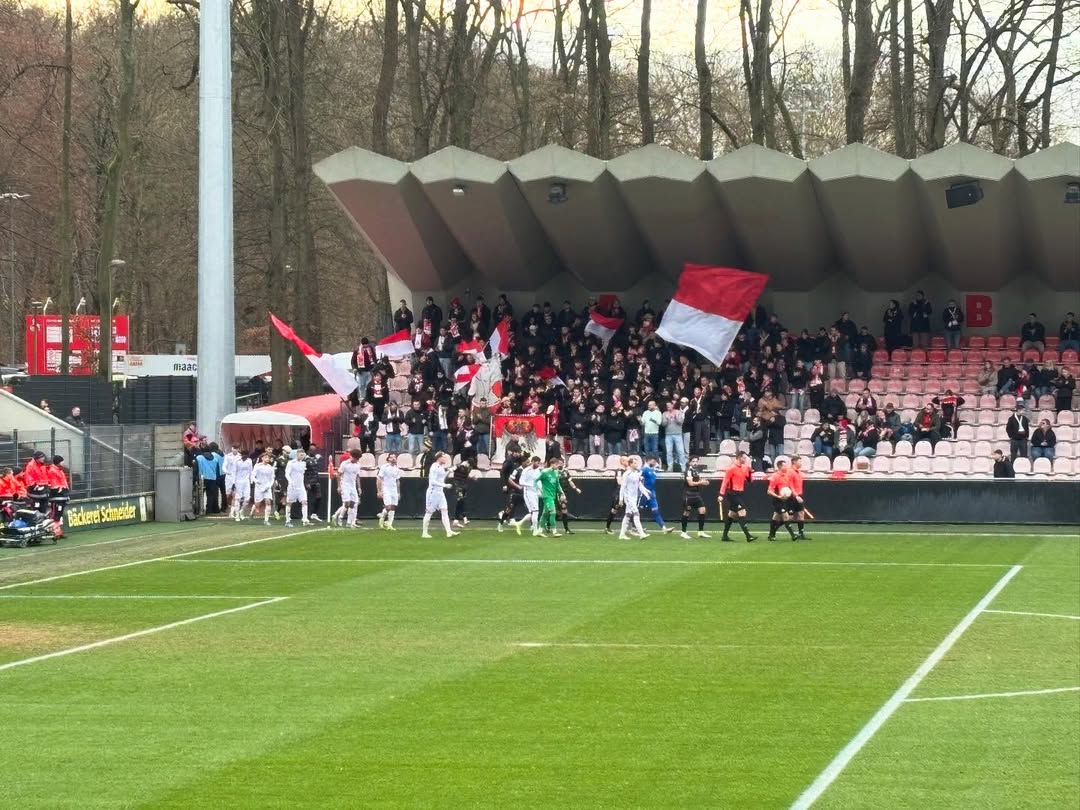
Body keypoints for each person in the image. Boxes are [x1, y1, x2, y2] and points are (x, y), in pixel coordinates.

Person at [718, 452, 756, 542]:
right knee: (742, 512)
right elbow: (725, 482)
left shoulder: (744, 467)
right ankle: (748, 536)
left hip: (740, 493)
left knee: (732, 514)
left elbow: (750, 480)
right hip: (732, 493)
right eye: (744, 458)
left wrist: (750, 472)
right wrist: (721, 494)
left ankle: (724, 536)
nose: (745, 460)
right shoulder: (731, 469)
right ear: (739, 458)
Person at [421, 452, 460, 538]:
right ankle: (424, 532)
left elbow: (442, 479)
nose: (445, 459)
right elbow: (432, 481)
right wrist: (445, 485)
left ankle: (448, 531)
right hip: (433, 492)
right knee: (429, 512)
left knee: (444, 510)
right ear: (439, 458)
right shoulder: (434, 467)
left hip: (440, 492)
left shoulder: (441, 467)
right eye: (443, 457)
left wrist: (449, 472)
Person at [617, 455, 651, 540]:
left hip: (634, 497)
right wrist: (621, 499)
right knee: (636, 513)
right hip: (628, 497)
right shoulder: (626, 474)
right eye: (635, 463)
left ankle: (622, 534)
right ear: (630, 464)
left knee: (628, 515)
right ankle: (641, 534)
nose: (637, 464)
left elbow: (639, 485)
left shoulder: (636, 473)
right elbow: (623, 487)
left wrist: (646, 492)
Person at [678, 455, 710, 540]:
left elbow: (698, 481)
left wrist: (704, 482)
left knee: (702, 510)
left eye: (696, 461)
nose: (695, 463)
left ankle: (700, 531)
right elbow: (690, 483)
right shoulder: (688, 471)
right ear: (690, 462)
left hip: (696, 494)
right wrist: (701, 482)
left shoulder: (696, 471)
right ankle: (683, 532)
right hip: (688, 494)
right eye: (693, 461)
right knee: (687, 512)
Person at [766, 459, 798, 541]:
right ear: (780, 467)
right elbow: (769, 491)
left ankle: (771, 535)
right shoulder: (775, 477)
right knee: (785, 516)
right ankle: (793, 535)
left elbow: (788, 487)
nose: (786, 467)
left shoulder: (787, 475)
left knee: (776, 518)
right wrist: (778, 496)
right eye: (784, 465)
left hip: (784, 500)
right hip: (777, 500)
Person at [511, 456, 543, 536]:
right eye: (537, 463)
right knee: (535, 512)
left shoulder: (538, 470)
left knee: (533, 513)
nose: (538, 464)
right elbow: (521, 482)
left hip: (535, 493)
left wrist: (541, 490)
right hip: (528, 493)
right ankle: (535, 531)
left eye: (539, 463)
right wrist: (532, 485)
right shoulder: (526, 471)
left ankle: (519, 523)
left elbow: (538, 481)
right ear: (532, 462)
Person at [640, 457, 673, 533]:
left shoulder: (653, 470)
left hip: (652, 493)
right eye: (653, 461)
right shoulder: (644, 469)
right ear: (648, 461)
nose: (655, 463)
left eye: (655, 462)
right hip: (644, 493)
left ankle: (663, 528)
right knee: (638, 510)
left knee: (655, 510)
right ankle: (634, 527)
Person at [333, 449, 363, 529]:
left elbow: (357, 477)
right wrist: (339, 486)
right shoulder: (344, 464)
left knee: (353, 504)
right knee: (347, 503)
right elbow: (338, 475)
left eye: (357, 459)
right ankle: (340, 518)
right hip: (345, 485)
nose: (356, 460)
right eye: (355, 458)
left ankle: (349, 522)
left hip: (353, 486)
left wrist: (359, 487)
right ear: (352, 456)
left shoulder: (358, 465)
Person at [496, 453, 526, 533]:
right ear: (522, 462)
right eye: (527, 462)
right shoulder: (517, 471)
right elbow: (510, 480)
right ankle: (500, 524)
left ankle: (533, 526)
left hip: (523, 493)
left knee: (530, 509)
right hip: (515, 492)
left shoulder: (527, 470)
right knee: (509, 509)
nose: (528, 463)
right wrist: (517, 486)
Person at [536, 457, 564, 537]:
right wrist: (539, 489)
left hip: (553, 495)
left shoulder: (556, 473)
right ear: (551, 464)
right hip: (547, 496)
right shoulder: (544, 472)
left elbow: (557, 484)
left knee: (545, 514)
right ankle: (554, 531)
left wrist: (562, 493)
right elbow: (536, 480)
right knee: (553, 513)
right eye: (556, 464)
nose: (557, 466)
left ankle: (539, 531)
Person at [283, 450, 311, 527]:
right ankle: (287, 520)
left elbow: (302, 474)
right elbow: (287, 473)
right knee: (289, 503)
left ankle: (305, 520)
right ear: (297, 455)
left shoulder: (304, 463)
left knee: (304, 502)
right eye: (301, 455)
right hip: (292, 487)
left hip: (301, 486)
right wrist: (290, 481)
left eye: (303, 455)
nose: (302, 457)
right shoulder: (291, 463)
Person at [603, 455, 630, 534]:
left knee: (631, 509)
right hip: (619, 493)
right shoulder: (619, 470)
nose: (628, 462)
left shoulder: (626, 471)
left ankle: (634, 528)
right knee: (614, 510)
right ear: (622, 462)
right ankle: (607, 527)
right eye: (626, 461)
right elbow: (619, 482)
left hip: (626, 493)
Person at [376, 452, 402, 530]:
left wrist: (398, 492)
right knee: (388, 506)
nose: (393, 458)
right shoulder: (384, 467)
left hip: (393, 489)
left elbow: (397, 481)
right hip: (386, 489)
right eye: (391, 457)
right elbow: (379, 479)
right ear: (388, 459)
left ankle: (389, 524)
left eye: (394, 457)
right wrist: (379, 491)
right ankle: (382, 516)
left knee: (393, 506)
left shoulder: (397, 469)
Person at [787, 455, 810, 540]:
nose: (801, 463)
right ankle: (773, 530)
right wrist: (795, 495)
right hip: (792, 497)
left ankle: (801, 533)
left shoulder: (799, 473)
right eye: (800, 461)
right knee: (790, 517)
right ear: (794, 462)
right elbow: (790, 485)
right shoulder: (790, 472)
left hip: (799, 495)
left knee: (801, 514)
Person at [249, 453, 276, 524]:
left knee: (268, 502)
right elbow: (252, 476)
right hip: (259, 488)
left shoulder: (270, 468)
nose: (267, 459)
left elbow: (272, 478)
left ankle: (266, 520)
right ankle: (252, 513)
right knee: (257, 504)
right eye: (266, 457)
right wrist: (256, 481)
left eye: (268, 458)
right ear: (262, 458)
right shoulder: (257, 466)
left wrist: (269, 485)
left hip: (267, 488)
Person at [556, 464, 582, 535]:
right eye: (559, 462)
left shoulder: (566, 471)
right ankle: (548, 525)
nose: (561, 464)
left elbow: (570, 481)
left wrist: (576, 488)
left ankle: (566, 529)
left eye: (562, 462)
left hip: (564, 493)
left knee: (563, 510)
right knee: (552, 510)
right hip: (556, 493)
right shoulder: (554, 472)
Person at [195, 448, 222, 514]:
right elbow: (217, 471)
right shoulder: (215, 459)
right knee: (210, 496)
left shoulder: (199, 458)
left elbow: (196, 468)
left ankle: (199, 510)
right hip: (212, 479)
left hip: (202, 478)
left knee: (200, 495)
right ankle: (209, 510)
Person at [662, 400, 687, 471]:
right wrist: (666, 419)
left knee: (680, 451)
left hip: (678, 434)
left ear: (672, 405)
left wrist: (675, 417)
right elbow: (663, 424)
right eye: (667, 406)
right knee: (669, 452)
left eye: (669, 406)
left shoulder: (678, 412)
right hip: (668, 435)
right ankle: (670, 466)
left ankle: (683, 466)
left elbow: (681, 422)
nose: (668, 407)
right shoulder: (664, 413)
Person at [46, 455, 70, 529]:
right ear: (59, 462)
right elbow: (54, 484)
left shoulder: (60, 470)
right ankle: (52, 530)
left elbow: (64, 482)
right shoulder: (52, 471)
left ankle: (57, 531)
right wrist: (60, 489)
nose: (63, 463)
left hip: (62, 495)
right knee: (55, 514)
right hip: (56, 495)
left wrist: (66, 492)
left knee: (59, 514)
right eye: (62, 461)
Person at [230, 451, 253, 521]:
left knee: (247, 499)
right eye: (244, 456)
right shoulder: (237, 461)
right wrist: (233, 482)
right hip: (238, 481)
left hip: (246, 482)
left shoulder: (249, 461)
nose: (245, 457)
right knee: (238, 498)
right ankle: (237, 516)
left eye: (247, 456)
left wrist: (251, 481)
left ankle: (241, 512)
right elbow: (233, 472)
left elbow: (250, 471)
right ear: (241, 455)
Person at [451, 461, 475, 528]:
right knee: (460, 500)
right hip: (458, 486)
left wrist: (472, 477)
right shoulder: (458, 466)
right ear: (467, 463)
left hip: (464, 486)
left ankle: (460, 519)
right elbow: (451, 469)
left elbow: (466, 475)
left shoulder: (467, 469)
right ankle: (459, 519)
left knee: (462, 501)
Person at [222, 444, 242, 511]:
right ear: (232, 448)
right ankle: (226, 505)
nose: (235, 450)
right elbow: (224, 466)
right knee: (228, 493)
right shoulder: (228, 456)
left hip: (237, 477)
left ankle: (234, 508)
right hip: (229, 477)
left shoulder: (240, 456)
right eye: (234, 448)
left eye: (236, 448)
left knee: (235, 493)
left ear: (238, 449)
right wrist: (227, 472)